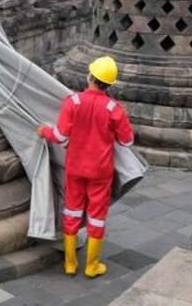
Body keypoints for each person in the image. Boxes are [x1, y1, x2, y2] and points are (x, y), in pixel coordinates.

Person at [37, 56, 134, 278]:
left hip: (75, 168)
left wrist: (44, 131)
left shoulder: (73, 102)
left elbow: (61, 136)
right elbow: (127, 142)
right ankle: (92, 266)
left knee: (71, 211)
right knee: (97, 216)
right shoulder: (114, 109)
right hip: (101, 171)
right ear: (109, 84)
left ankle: (70, 263)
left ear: (90, 76)